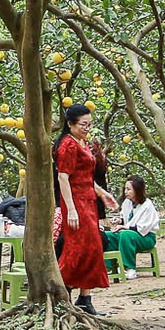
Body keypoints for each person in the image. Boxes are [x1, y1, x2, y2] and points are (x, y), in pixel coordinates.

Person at [55, 104, 110, 315]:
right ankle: (64, 291)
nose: (87, 128)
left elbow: (87, 177)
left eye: (89, 124)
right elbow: (63, 177)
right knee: (76, 248)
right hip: (76, 204)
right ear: (70, 124)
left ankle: (85, 298)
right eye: (82, 125)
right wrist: (71, 209)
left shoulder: (83, 143)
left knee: (92, 247)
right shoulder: (68, 146)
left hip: (89, 203)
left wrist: (101, 193)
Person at [106, 175, 160, 275]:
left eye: (129, 189)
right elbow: (125, 219)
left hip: (146, 237)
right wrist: (118, 221)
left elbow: (142, 228)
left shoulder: (147, 205)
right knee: (108, 236)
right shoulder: (127, 203)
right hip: (129, 233)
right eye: (125, 189)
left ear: (137, 190)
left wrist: (123, 227)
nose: (125, 192)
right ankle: (108, 267)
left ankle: (129, 268)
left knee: (125, 235)